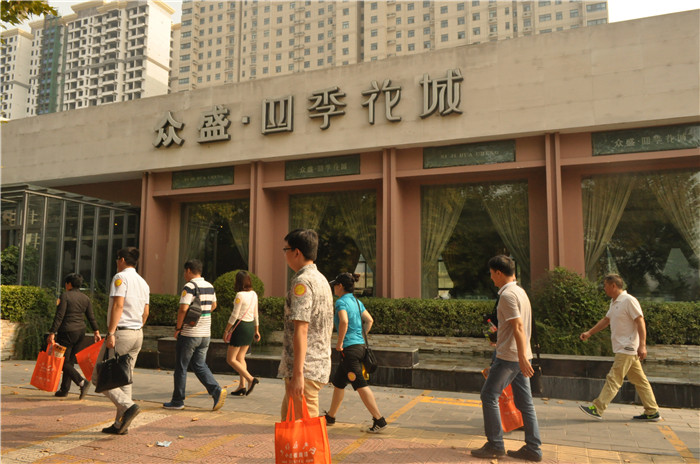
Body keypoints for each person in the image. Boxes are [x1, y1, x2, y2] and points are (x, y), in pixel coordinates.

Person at [472, 255, 542, 462]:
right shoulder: (520, 292)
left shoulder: (508, 295)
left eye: (491, 274)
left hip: (510, 357)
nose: (491, 278)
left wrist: (520, 357)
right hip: (519, 355)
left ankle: (495, 445)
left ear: (499, 273)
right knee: (525, 403)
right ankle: (533, 449)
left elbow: (518, 326)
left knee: (488, 396)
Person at [578, 274, 661, 422]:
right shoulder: (614, 302)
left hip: (627, 348)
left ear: (613, 285)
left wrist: (642, 345)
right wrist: (589, 333)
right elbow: (606, 320)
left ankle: (597, 408)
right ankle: (652, 411)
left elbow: (640, 321)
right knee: (640, 380)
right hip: (624, 348)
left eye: (605, 285)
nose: (604, 288)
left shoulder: (629, 300)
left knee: (614, 378)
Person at [278, 229, 334, 420]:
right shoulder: (321, 279)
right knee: (289, 424)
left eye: (286, 249)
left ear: (296, 252)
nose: (284, 254)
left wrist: (298, 374)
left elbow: (301, 329)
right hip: (315, 364)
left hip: (306, 368)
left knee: (306, 430)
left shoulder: (302, 282)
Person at [94, 247, 149, 435]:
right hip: (137, 334)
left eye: (117, 259)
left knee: (98, 376)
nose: (117, 262)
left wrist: (111, 332)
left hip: (121, 333)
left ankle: (128, 406)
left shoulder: (121, 278)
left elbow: (118, 305)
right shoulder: (143, 282)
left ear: (123, 260)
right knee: (125, 378)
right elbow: (146, 312)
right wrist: (136, 327)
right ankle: (120, 424)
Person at [323, 272, 387, 433]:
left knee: (360, 384)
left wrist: (340, 343)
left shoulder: (341, 302)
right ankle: (330, 417)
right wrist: (359, 337)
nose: (334, 288)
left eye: (335, 285)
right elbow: (369, 320)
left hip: (349, 350)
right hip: (360, 347)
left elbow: (344, 321)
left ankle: (379, 420)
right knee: (338, 383)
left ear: (340, 286)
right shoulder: (357, 302)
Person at [163, 259, 227, 411]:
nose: (184, 275)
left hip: (190, 333)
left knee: (181, 367)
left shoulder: (189, 286)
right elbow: (214, 305)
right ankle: (216, 391)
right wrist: (202, 314)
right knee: (199, 364)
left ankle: (177, 401)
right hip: (205, 334)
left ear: (189, 270)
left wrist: (178, 328)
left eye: (184, 272)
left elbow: (183, 309)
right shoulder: (209, 286)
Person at [47, 273, 101, 399]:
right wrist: (96, 331)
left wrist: (52, 332)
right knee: (69, 361)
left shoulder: (65, 296)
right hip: (80, 332)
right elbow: (91, 316)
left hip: (67, 332)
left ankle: (81, 382)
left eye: (66, 283)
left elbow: (59, 316)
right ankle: (64, 389)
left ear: (69, 284)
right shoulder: (85, 298)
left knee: (61, 361)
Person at [224, 270, 261, 396]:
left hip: (240, 328)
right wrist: (257, 330)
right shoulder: (254, 294)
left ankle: (250, 379)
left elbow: (235, 315)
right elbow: (256, 314)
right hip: (250, 327)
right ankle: (241, 386)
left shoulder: (239, 295)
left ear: (238, 282)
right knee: (240, 357)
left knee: (231, 359)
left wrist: (226, 330)